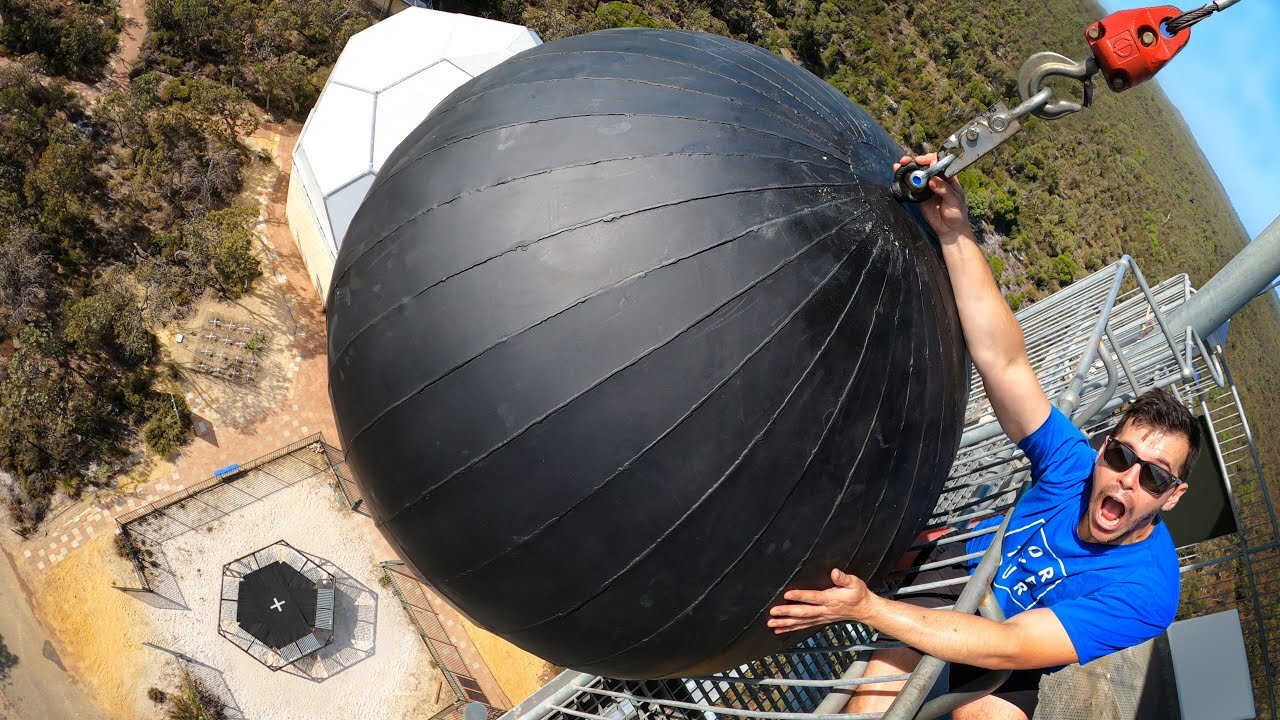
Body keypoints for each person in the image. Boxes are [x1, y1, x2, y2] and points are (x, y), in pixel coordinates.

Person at [766, 154, 1201, 719]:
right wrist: (954, 230)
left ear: (1172, 496)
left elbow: (1015, 647)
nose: (1128, 477)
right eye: (1121, 454)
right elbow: (1004, 362)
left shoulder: (1149, 591)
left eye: (1154, 475)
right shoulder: (1073, 465)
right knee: (878, 701)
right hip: (962, 569)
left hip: (1008, 647)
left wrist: (869, 609)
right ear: (1103, 448)